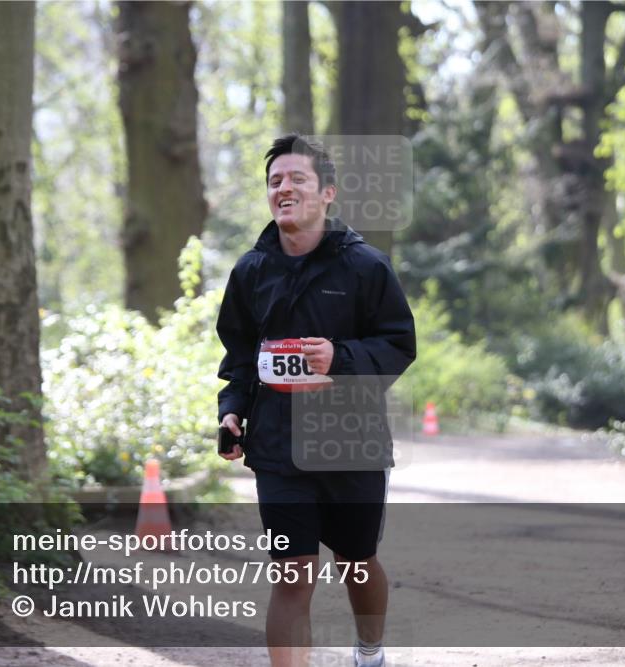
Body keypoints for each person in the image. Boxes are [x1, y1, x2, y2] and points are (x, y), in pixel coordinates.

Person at [216, 133, 416, 667]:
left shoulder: (366, 266)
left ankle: (369, 651)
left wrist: (341, 358)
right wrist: (232, 409)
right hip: (278, 443)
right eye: (275, 181)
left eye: (297, 178)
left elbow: (399, 344)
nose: (284, 188)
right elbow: (239, 354)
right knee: (291, 574)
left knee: (356, 560)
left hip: (350, 440)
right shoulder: (250, 272)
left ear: (328, 192)